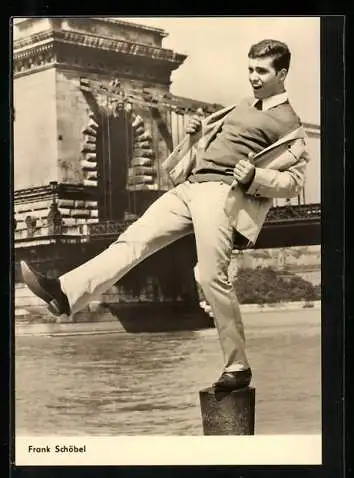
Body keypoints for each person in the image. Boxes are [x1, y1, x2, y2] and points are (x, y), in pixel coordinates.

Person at [20, 39, 309, 392]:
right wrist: (193, 140)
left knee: (209, 274)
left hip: (221, 195)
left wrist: (255, 177)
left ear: (281, 73)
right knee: (132, 241)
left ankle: (237, 366)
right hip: (189, 187)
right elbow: (209, 151)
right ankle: (65, 293)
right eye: (249, 69)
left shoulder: (289, 124)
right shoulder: (240, 106)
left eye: (261, 71)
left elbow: (293, 182)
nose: (253, 77)